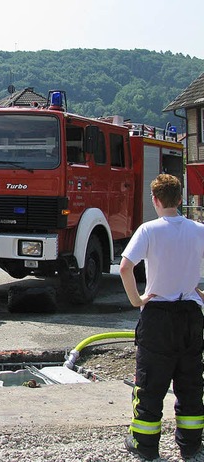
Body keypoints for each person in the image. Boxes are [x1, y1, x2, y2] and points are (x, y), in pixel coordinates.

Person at [120, 174, 204, 462]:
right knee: (191, 384)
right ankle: (191, 447)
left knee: (151, 385)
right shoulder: (198, 230)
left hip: (157, 315)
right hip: (191, 315)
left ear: (155, 200)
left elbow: (124, 268)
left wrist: (137, 300)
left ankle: (145, 446)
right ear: (180, 199)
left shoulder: (149, 230)